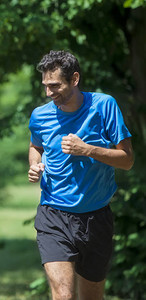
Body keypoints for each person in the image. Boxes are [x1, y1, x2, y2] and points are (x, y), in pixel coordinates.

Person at [28, 50, 134, 300]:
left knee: (91, 296)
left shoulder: (103, 105)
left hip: (96, 217)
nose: (49, 93)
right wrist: (35, 164)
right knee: (63, 295)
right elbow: (35, 146)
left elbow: (128, 159)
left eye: (55, 86)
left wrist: (88, 150)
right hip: (53, 214)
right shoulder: (39, 116)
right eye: (45, 86)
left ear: (75, 79)